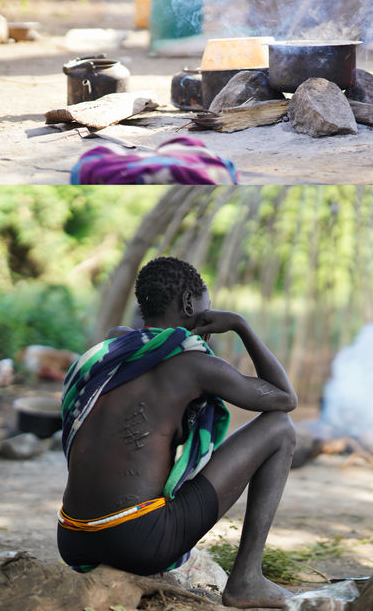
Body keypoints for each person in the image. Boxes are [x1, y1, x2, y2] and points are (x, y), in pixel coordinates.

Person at [57, 256, 298, 609]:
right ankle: (246, 579)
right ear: (189, 303)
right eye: (206, 305)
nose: (209, 313)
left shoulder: (108, 351)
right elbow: (284, 400)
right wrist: (241, 326)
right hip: (138, 539)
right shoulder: (194, 365)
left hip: (73, 539)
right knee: (280, 428)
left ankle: (244, 577)